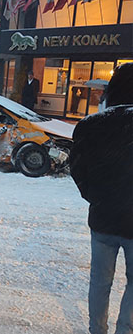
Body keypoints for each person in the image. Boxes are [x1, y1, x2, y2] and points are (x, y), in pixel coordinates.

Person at [70, 62, 133, 334]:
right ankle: (125, 330)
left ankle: (97, 330)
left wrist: (95, 197)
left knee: (99, 282)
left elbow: (78, 169)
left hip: (103, 219)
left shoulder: (90, 125)